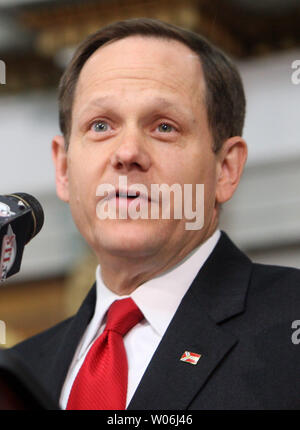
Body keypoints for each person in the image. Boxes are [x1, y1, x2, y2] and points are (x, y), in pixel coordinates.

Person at [9, 18, 300, 410]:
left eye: (164, 126)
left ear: (225, 169)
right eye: (100, 125)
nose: (127, 152)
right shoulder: (18, 376)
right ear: (63, 168)